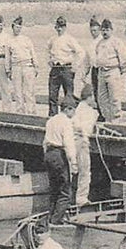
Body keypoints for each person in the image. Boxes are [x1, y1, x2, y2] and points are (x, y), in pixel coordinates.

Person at [43, 95, 79, 224]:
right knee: (65, 191)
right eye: (74, 110)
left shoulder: (51, 120)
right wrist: (73, 163)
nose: (74, 114)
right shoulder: (66, 122)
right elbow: (69, 144)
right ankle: (56, 222)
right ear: (69, 109)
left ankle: (50, 218)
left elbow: (45, 142)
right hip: (59, 154)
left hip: (49, 154)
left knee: (54, 189)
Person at [46, 16, 83, 116]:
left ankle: (69, 116)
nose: (59, 29)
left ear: (65, 27)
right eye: (57, 27)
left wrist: (75, 66)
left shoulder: (70, 39)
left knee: (69, 94)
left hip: (66, 69)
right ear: (55, 27)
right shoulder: (52, 39)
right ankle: (53, 116)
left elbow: (80, 52)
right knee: (52, 94)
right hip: (55, 69)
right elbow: (48, 51)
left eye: (61, 27)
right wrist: (49, 60)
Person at [93, 18, 126, 122]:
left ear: (111, 30)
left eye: (107, 30)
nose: (105, 32)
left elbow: (123, 58)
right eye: (103, 30)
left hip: (113, 71)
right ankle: (107, 118)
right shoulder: (99, 43)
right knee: (101, 98)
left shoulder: (116, 42)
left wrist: (121, 70)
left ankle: (116, 119)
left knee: (115, 97)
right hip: (102, 72)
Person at [72, 84, 99, 207]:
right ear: (89, 97)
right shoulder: (89, 111)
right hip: (82, 142)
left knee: (73, 170)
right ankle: (81, 198)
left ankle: (70, 196)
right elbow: (86, 128)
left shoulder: (78, 108)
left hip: (72, 141)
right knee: (85, 171)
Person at [7, 15, 38, 114]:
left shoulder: (26, 39)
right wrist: (8, 70)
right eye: (16, 27)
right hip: (16, 67)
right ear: (12, 27)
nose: (18, 29)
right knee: (18, 92)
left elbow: (33, 53)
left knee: (29, 91)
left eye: (20, 27)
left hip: (27, 66)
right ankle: (20, 111)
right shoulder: (9, 41)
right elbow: (7, 57)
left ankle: (31, 111)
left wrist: (36, 66)